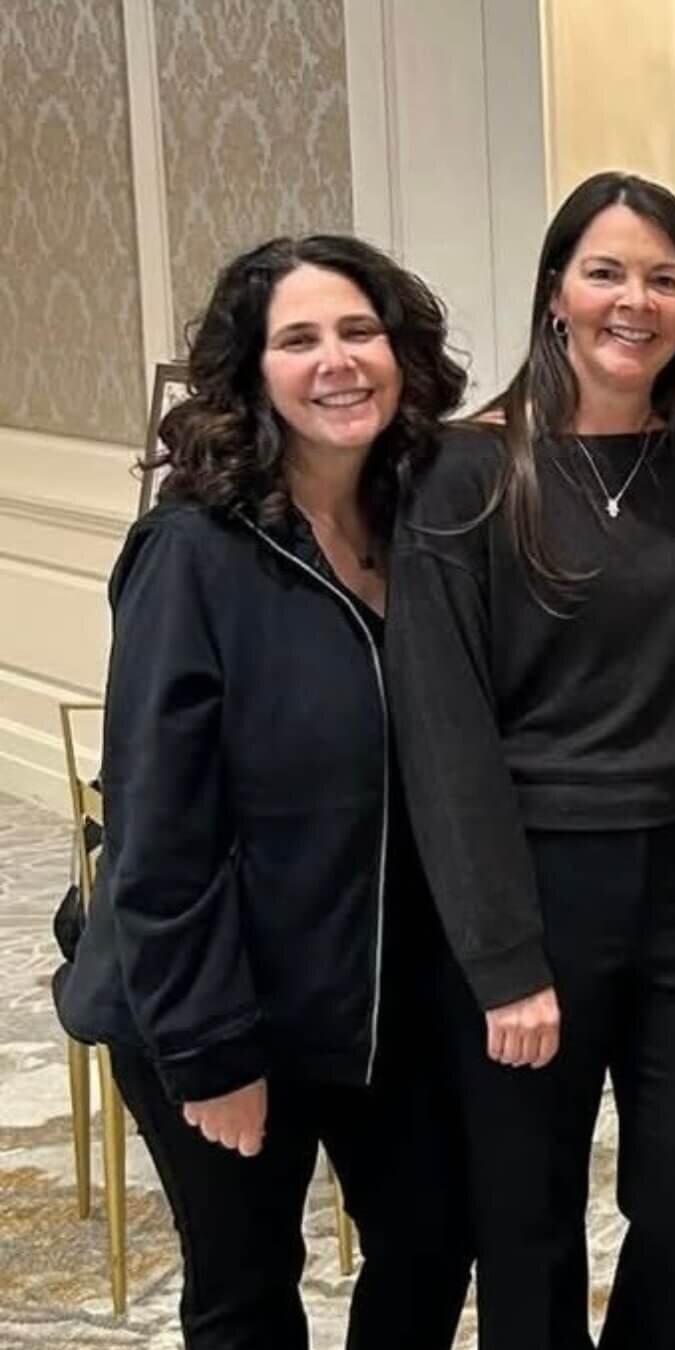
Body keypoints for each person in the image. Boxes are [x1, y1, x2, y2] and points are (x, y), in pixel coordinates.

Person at [55, 235, 472, 1350]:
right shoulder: (191, 552)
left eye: (359, 331)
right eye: (299, 339)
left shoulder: (422, 528)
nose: (338, 362)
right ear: (250, 374)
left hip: (377, 992)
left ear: (402, 353)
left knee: (434, 1239)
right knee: (246, 1290)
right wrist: (212, 1051)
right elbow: (156, 831)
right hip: (221, 998)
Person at [387, 171, 675, 1349]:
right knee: (528, 1227)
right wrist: (500, 957)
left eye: (664, 277)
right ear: (554, 295)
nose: (634, 300)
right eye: (606, 271)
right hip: (531, 886)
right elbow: (443, 734)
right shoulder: (466, 474)